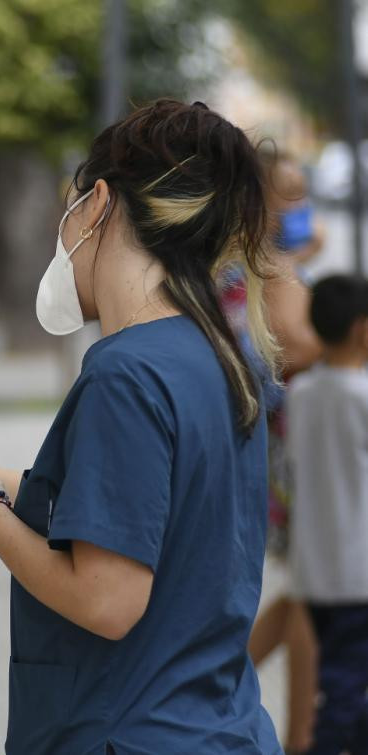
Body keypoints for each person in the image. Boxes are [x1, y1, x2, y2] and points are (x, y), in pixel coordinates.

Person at [0, 100, 282, 752]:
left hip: (127, 735)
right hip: (218, 729)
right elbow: (104, 509)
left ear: (98, 204)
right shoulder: (219, 358)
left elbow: (107, 598)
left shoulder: (125, 373)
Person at [243, 148, 325, 754]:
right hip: (290, 447)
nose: (298, 208)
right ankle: (301, 737)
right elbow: (290, 349)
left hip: (280, 442)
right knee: (315, 590)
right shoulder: (270, 264)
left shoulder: (257, 260)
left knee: (310, 587)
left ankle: (206, 682)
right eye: (288, 195)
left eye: (303, 193)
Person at [284, 274, 368, 755]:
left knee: (344, 680)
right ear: (362, 329)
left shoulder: (302, 395)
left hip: (316, 570)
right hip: (358, 574)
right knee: (342, 690)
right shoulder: (360, 397)